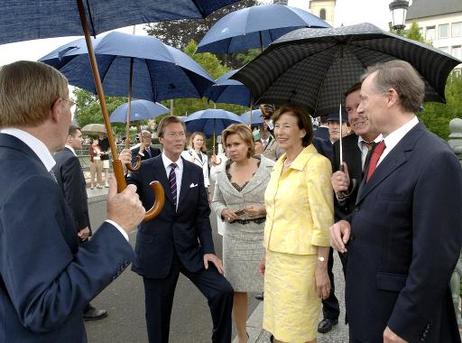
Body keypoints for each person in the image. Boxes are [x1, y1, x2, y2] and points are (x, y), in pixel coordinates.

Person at [0, 60, 145, 342]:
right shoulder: (31, 182)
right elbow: (43, 306)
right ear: (57, 108)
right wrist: (116, 227)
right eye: (70, 103)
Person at [330, 60, 462, 342]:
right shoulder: (381, 149)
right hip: (368, 306)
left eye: (364, 99)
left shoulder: (435, 159)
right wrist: (348, 223)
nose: (360, 108)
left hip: (397, 320)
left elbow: (436, 255)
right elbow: (382, 209)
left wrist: (405, 324)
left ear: (390, 97)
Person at [119, 116, 233, 343]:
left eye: (181, 133)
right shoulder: (143, 168)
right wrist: (122, 171)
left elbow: (201, 215)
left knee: (222, 291)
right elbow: (126, 198)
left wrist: (208, 250)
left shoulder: (194, 170)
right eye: (172, 134)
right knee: (157, 320)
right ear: (161, 139)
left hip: (189, 250)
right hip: (155, 252)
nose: (179, 138)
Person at [260, 105, 334, 343]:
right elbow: (274, 212)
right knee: (279, 330)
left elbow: (323, 220)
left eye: (287, 126)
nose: (279, 131)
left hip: (301, 263)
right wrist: (266, 253)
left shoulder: (316, 164)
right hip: (276, 259)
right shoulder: (280, 163)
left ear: (303, 131)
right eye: (277, 126)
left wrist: (322, 267)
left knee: (297, 332)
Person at [317, 82, 383, 335]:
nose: (355, 114)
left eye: (361, 106)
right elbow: (341, 201)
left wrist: (353, 184)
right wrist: (340, 190)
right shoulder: (340, 148)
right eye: (349, 109)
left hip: (384, 242)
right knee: (356, 296)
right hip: (350, 237)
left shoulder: (393, 145)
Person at [211, 124, 274, 343]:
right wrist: (223, 211)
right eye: (228, 145)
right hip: (234, 238)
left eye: (236, 144)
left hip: (264, 237)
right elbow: (216, 200)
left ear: (248, 144)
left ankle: (277, 334)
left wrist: (264, 208)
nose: (231, 149)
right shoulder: (221, 172)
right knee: (236, 289)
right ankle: (243, 336)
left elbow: (283, 200)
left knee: (272, 288)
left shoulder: (271, 168)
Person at [53, 125, 108, 321]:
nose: (82, 140)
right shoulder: (70, 159)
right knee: (80, 266)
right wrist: (82, 226)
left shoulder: (56, 157)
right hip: (74, 225)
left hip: (61, 223)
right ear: (68, 138)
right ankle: (83, 307)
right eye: (79, 136)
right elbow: (74, 197)